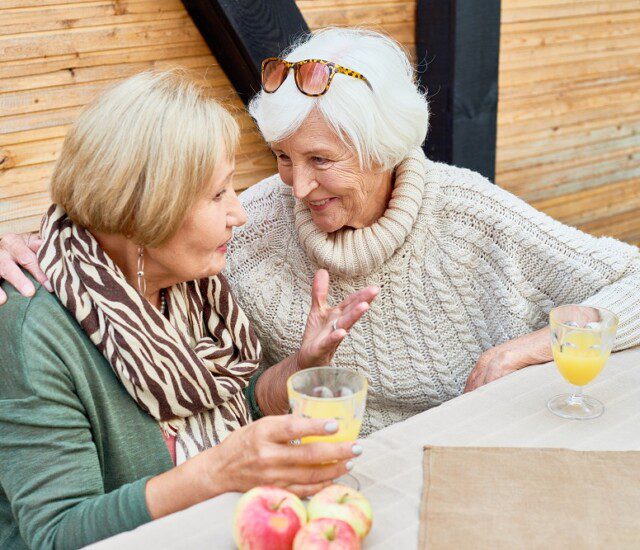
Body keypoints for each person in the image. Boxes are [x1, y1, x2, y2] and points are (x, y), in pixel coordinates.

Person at [3, 28, 640, 438]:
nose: (297, 188)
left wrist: (524, 350)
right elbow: (133, 225)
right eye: (283, 157)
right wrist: (30, 249)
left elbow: (631, 280)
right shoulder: (250, 221)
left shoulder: (468, 212)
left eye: (321, 160)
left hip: (475, 453)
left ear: (384, 148)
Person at [0, 70, 377, 549]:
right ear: (145, 210)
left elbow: (234, 407)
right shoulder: (33, 330)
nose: (238, 213)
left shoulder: (192, 289)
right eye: (218, 194)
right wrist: (217, 471)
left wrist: (302, 366)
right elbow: (56, 536)